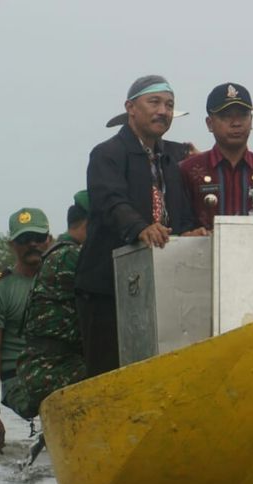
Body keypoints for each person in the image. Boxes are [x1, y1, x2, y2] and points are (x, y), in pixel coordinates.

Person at [75, 75, 203, 378]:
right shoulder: (107, 153)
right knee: (107, 374)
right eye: (154, 102)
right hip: (107, 285)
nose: (163, 111)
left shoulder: (173, 157)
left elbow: (180, 211)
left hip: (160, 283)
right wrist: (140, 228)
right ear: (130, 108)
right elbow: (111, 202)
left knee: (157, 372)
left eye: (170, 105)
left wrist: (190, 232)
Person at [0, 208, 51, 452]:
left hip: (59, 370)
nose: (33, 244)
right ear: (12, 244)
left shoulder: (64, 278)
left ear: (49, 240)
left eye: (38, 238)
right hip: (18, 378)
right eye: (24, 239)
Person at [15, 191, 90, 417]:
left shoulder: (58, 254)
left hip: (42, 368)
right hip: (54, 371)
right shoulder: (72, 257)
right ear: (91, 222)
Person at [180, 83, 253, 230]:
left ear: (251, 120)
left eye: (243, 115)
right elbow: (179, 226)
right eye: (226, 116)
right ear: (209, 123)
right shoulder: (188, 170)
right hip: (203, 251)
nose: (236, 123)